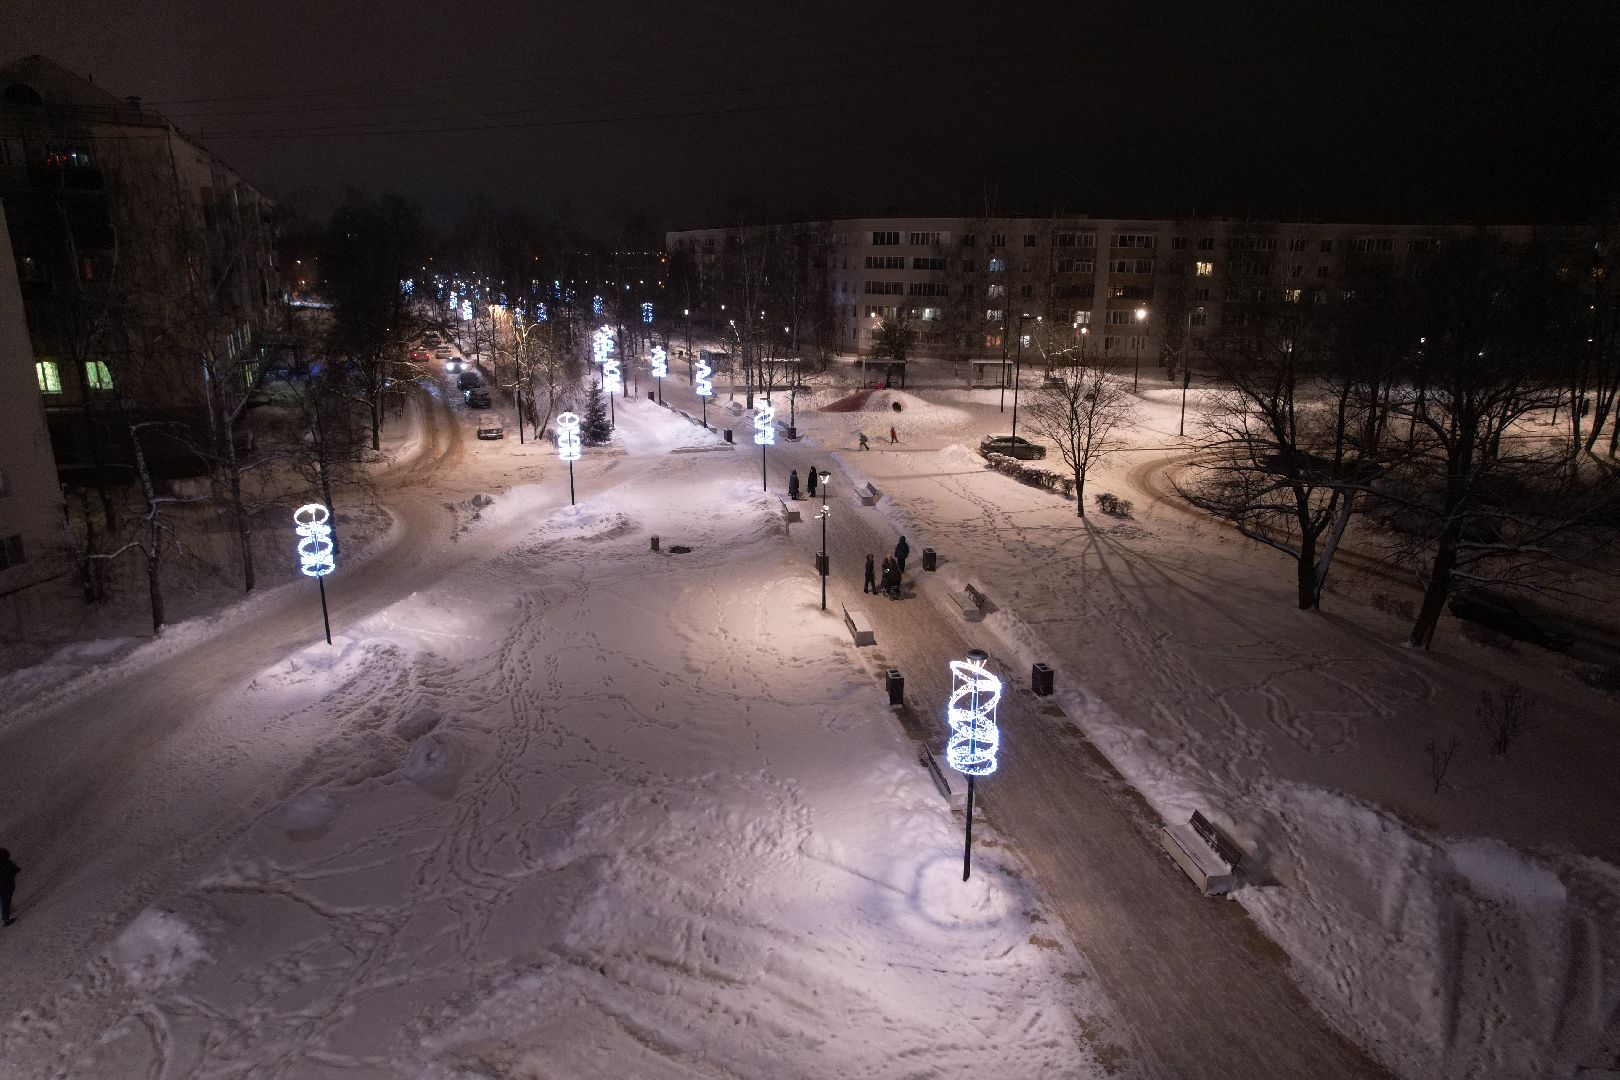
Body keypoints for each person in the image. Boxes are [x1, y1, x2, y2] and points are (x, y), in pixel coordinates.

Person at [0, 847, 18, 926]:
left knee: (4, 900)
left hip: (5, 884)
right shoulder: (6, 863)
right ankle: (6, 919)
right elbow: (15, 869)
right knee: (5, 900)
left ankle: (6, 916)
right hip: (6, 884)